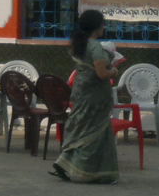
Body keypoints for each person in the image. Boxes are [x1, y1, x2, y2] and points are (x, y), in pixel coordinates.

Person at [51, 9, 119, 183]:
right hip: (95, 96)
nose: (104, 26)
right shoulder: (95, 46)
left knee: (79, 126)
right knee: (92, 133)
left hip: (81, 91)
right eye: (103, 23)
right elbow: (102, 73)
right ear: (97, 26)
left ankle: (64, 163)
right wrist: (113, 70)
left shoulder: (79, 43)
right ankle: (85, 172)